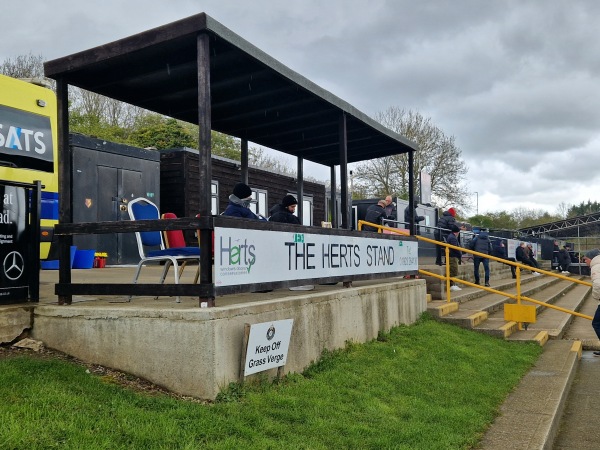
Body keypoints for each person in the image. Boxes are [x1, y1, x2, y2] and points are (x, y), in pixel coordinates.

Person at [584, 249, 600, 356]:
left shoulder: (596, 267)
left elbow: (598, 285)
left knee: (596, 323)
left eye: (585, 259)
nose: (585, 262)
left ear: (591, 258)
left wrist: (596, 297)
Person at [445, 224, 462, 291]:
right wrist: (460, 254)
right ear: (456, 232)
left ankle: (452, 285)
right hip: (452, 256)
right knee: (453, 271)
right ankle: (451, 285)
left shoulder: (451, 236)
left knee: (453, 270)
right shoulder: (452, 238)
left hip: (452, 256)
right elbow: (455, 248)